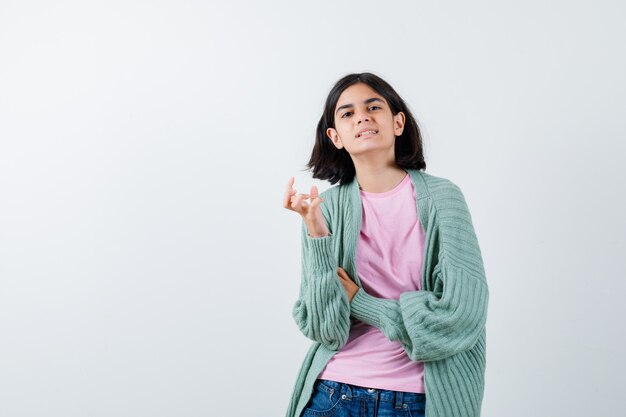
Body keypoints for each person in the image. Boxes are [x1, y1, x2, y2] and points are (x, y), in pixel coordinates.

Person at [282, 72, 489, 417]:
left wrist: (362, 304)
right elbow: (323, 329)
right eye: (347, 113)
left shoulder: (443, 199)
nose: (361, 116)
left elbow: (461, 315)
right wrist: (316, 233)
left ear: (398, 122)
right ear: (335, 137)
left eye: (373, 106)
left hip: (419, 400)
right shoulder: (325, 208)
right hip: (334, 395)